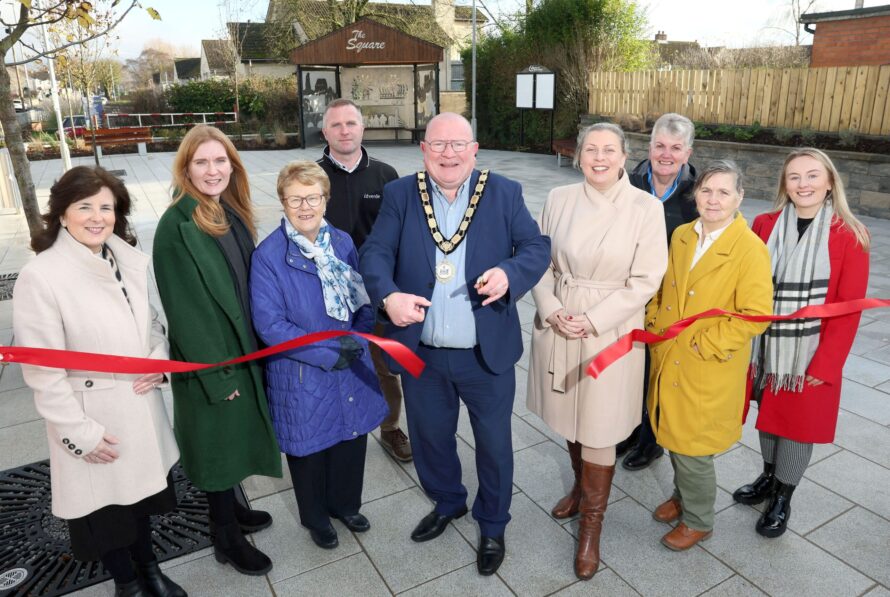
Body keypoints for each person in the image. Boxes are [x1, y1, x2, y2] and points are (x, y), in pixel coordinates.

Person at [359, 112, 550, 576]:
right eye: (438, 145)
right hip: (423, 353)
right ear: (423, 149)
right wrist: (388, 295)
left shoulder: (503, 192)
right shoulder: (401, 194)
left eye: (457, 144)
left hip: (485, 354)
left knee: (494, 444)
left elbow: (536, 247)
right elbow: (376, 252)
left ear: (474, 148)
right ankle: (448, 502)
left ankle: (492, 522)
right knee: (429, 439)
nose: (448, 153)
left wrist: (510, 274)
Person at [13, 166, 185, 597]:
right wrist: (79, 434)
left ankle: (151, 572)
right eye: (84, 206)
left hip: (139, 407)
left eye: (106, 207)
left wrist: (157, 360)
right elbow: (42, 371)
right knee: (106, 514)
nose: (97, 217)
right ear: (63, 214)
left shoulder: (124, 259)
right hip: (92, 417)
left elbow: (153, 328)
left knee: (142, 504)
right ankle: (126, 584)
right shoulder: (43, 275)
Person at [527, 122, 668, 580]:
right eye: (592, 149)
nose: (600, 157)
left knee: (600, 427)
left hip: (610, 328)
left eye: (609, 150)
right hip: (561, 321)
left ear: (625, 156)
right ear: (579, 155)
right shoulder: (558, 199)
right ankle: (580, 489)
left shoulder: (646, 208)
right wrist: (550, 309)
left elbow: (647, 280)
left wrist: (593, 319)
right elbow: (539, 262)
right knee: (570, 416)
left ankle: (592, 527)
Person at [152, 125, 281, 576]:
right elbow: (187, 314)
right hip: (214, 359)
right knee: (217, 449)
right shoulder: (177, 226)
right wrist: (218, 376)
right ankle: (224, 535)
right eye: (202, 162)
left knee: (234, 440)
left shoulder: (229, 209)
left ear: (233, 164)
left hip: (243, 348)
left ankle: (234, 511)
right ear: (185, 167)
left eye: (220, 160)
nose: (212, 170)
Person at [249, 161, 388, 550]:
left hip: (349, 361)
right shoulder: (269, 256)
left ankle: (346, 505)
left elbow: (362, 299)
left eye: (313, 197)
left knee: (350, 437)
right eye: (296, 199)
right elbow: (271, 325)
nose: (305, 207)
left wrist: (359, 339)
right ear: (283, 202)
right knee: (309, 447)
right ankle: (316, 518)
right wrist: (330, 351)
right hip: (302, 371)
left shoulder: (342, 241)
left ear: (325, 199)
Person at [733, 148, 870, 538]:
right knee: (770, 418)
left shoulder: (850, 234)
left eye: (812, 176)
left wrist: (824, 366)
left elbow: (849, 309)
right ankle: (768, 477)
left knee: (797, 427)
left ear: (829, 182)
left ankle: (783, 498)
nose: (803, 184)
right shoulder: (764, 223)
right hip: (765, 347)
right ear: (784, 184)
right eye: (794, 177)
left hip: (809, 352)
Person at [647, 161, 772, 551]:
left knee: (693, 447)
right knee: (671, 432)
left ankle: (700, 520)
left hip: (706, 363)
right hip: (670, 354)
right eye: (706, 190)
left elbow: (756, 315)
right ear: (695, 194)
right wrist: (653, 323)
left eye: (723, 192)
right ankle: (683, 497)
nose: (713, 199)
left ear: (739, 198)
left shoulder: (749, 249)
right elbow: (662, 285)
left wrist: (708, 344)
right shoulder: (683, 234)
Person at [317, 98, 411, 463]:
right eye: (336, 125)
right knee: (333, 361)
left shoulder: (386, 176)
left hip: (377, 290)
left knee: (385, 365)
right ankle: (336, 428)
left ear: (362, 128)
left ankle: (390, 427)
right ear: (324, 131)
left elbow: (403, 234)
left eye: (351, 124)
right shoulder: (311, 176)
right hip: (328, 291)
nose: (344, 131)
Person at [622, 113, 699, 471]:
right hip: (626, 292)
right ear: (649, 147)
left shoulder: (698, 197)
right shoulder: (627, 182)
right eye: (660, 145)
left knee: (657, 370)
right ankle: (629, 429)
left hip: (669, 301)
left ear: (687, 153)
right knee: (629, 364)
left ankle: (651, 440)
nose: (666, 154)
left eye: (676, 148)